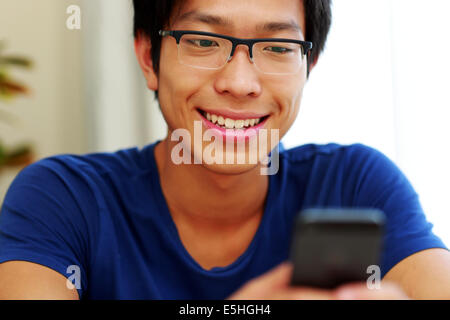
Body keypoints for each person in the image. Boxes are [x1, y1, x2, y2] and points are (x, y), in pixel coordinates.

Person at [0, 0, 449, 300]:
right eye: (202, 41)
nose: (239, 83)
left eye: (277, 46)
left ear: (308, 66)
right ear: (147, 57)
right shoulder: (62, 200)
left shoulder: (356, 186)